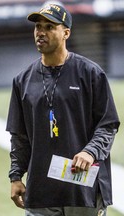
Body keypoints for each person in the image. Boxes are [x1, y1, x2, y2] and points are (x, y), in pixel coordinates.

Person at [7, 3, 120, 216]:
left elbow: (108, 124)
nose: (41, 32)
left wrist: (90, 151)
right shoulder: (22, 80)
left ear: (66, 33)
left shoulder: (90, 74)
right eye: (38, 27)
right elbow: (19, 136)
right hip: (40, 191)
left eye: (49, 27)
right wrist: (15, 177)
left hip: (83, 190)